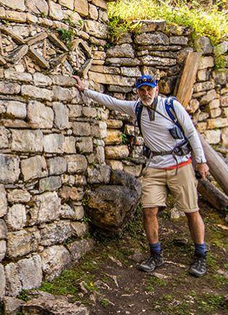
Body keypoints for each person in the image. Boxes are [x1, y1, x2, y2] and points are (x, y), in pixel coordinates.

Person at [73, 73, 210, 277]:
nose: (146, 93)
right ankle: (155, 254)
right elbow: (112, 102)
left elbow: (191, 133)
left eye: (149, 89)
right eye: (142, 90)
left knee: (191, 210)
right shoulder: (136, 108)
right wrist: (85, 90)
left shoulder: (171, 106)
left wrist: (201, 161)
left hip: (180, 164)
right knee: (149, 211)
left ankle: (200, 255)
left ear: (156, 89)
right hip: (155, 165)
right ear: (137, 92)